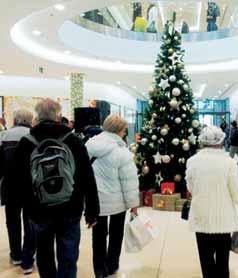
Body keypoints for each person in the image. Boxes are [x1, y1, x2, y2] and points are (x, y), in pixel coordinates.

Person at [9, 98, 99, 278]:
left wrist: (20, 206)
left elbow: (16, 180)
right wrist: (92, 210)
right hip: (71, 208)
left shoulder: (26, 143)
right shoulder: (73, 140)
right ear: (58, 116)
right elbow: (87, 177)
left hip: (38, 210)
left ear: (37, 117)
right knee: (68, 256)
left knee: (44, 255)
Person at [186, 126, 238, 278]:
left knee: (206, 260)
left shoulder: (192, 162)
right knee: (223, 261)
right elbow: (237, 189)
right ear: (221, 141)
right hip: (223, 220)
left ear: (202, 142)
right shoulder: (228, 162)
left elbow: (191, 187)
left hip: (201, 218)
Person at [86, 115, 139, 278]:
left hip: (95, 200)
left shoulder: (89, 145)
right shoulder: (121, 151)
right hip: (117, 202)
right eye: (124, 130)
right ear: (119, 131)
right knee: (116, 234)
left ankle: (99, 269)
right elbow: (128, 181)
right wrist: (133, 203)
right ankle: (112, 264)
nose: (125, 133)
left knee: (98, 236)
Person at [0, 109, 36, 274]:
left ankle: (16, 254)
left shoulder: (4, 136)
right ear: (30, 120)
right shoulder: (35, 136)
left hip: (10, 185)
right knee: (31, 222)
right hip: (31, 187)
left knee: (12, 221)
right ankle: (28, 259)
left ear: (14, 119)